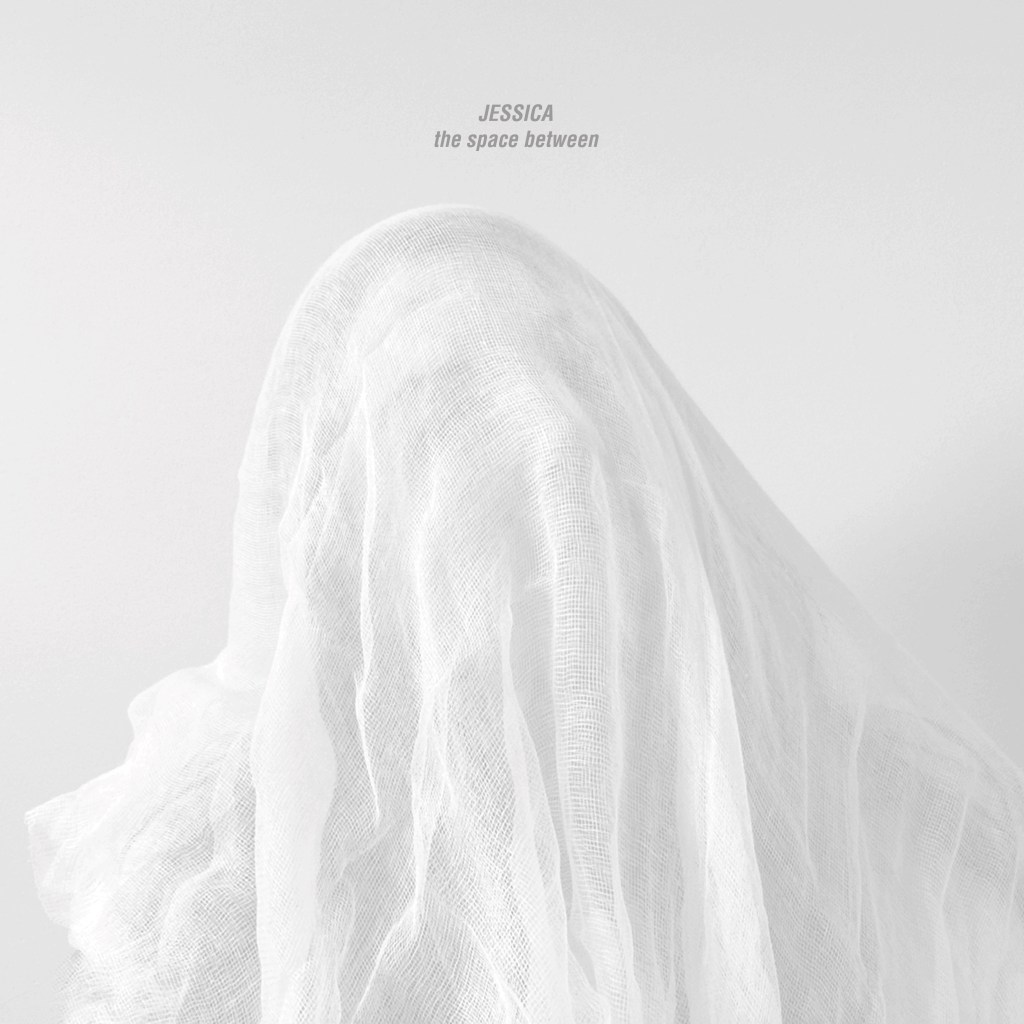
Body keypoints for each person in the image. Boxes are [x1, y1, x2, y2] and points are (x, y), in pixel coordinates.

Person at [27, 205, 1024, 1022]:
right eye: (463, 457)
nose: (548, 552)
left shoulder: (780, 788)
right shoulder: (212, 866)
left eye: (571, 502)